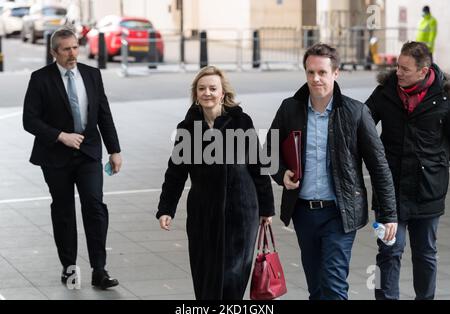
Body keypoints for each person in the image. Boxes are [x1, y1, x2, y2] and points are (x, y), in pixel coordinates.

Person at [266, 43, 397, 300]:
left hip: (340, 213)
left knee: (334, 285)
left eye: (322, 72)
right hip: (303, 213)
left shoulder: (356, 112)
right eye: (310, 72)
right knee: (316, 287)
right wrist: (281, 174)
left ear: (336, 73)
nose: (316, 78)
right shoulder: (289, 108)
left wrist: (389, 213)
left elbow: (379, 165)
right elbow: (267, 153)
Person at [156, 66, 275, 300]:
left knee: (233, 275)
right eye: (202, 89)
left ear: (223, 93)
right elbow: (176, 172)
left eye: (213, 88)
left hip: (240, 210)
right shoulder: (187, 128)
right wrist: (166, 208)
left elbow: (259, 165)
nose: (207, 93)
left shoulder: (241, 121)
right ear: (196, 94)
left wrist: (266, 207)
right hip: (203, 212)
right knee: (205, 273)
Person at [23, 27, 122, 290]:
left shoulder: (92, 74)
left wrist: (115, 150)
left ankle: (99, 270)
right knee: (64, 210)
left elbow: (103, 114)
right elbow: (29, 120)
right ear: (54, 52)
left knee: (94, 206)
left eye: (75, 47)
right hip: (55, 156)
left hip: (89, 152)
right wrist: (59, 136)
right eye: (66, 49)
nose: (72, 54)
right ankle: (69, 269)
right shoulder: (40, 79)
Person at [366, 41, 450, 300]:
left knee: (426, 253)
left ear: (424, 71)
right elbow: (363, 124)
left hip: (429, 189)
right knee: (388, 252)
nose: (398, 72)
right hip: (389, 190)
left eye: (405, 69)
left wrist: (439, 162)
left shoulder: (445, 97)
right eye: (397, 66)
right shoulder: (385, 92)